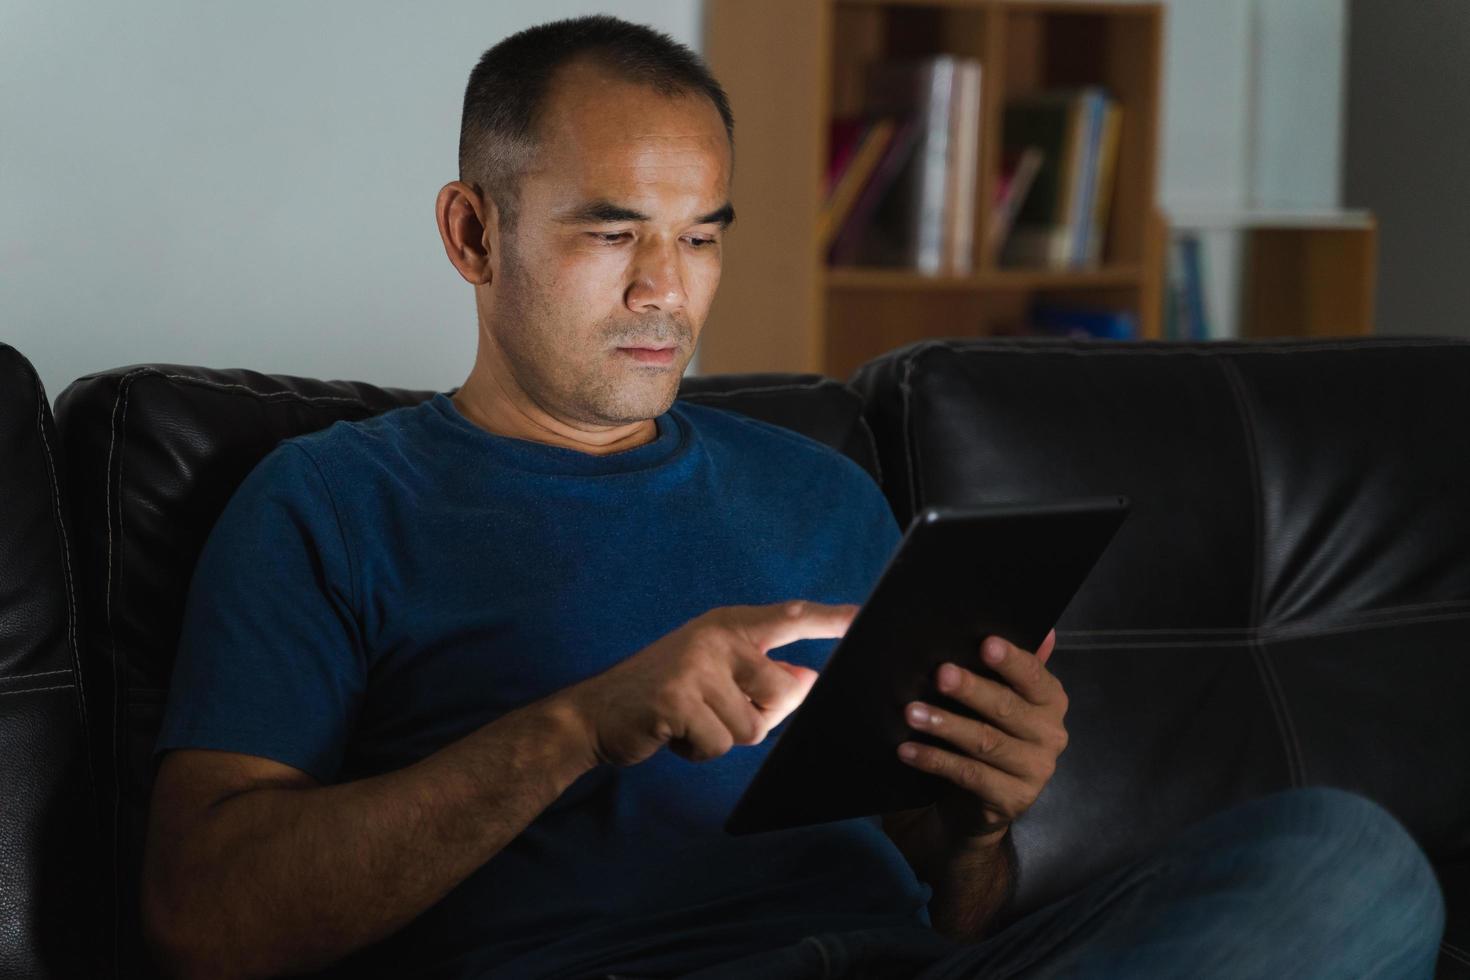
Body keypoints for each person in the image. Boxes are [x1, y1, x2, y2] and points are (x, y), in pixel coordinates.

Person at [140, 15, 1445, 980]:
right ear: (474, 233)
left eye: (701, 234)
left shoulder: (816, 490)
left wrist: (981, 820)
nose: (667, 288)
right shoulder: (332, 501)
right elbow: (207, 918)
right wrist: (584, 726)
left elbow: (957, 912)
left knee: (1346, 858)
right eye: (611, 232)